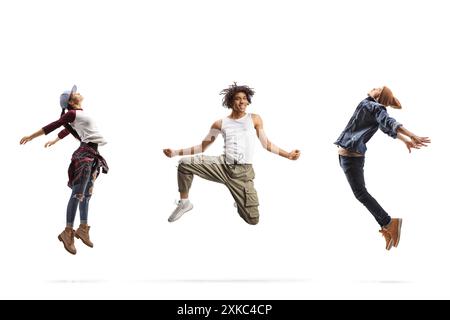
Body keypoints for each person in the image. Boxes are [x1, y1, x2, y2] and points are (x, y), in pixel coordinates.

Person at [163, 83, 300, 225]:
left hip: (242, 173)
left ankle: (239, 198)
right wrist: (175, 152)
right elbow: (202, 147)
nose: (242, 102)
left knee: (253, 220)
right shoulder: (219, 124)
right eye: (237, 98)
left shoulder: (254, 119)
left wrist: (288, 155)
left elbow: (266, 144)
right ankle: (184, 203)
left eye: (244, 98)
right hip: (222, 165)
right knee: (185, 164)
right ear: (230, 101)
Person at [335, 86, 430, 250]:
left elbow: (390, 123)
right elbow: (386, 128)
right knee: (360, 194)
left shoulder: (374, 107)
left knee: (361, 194)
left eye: (378, 88)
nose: (374, 87)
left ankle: (389, 222)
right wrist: (405, 140)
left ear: (380, 97)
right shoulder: (370, 106)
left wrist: (411, 135)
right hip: (347, 156)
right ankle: (387, 225)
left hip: (351, 158)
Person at [20, 85, 108, 255]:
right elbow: (55, 124)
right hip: (84, 155)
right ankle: (67, 232)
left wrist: (55, 140)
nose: (78, 92)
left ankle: (82, 228)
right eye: (74, 93)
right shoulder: (72, 113)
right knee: (78, 193)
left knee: (87, 194)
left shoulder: (79, 114)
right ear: (70, 101)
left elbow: (68, 130)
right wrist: (31, 136)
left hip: (93, 154)